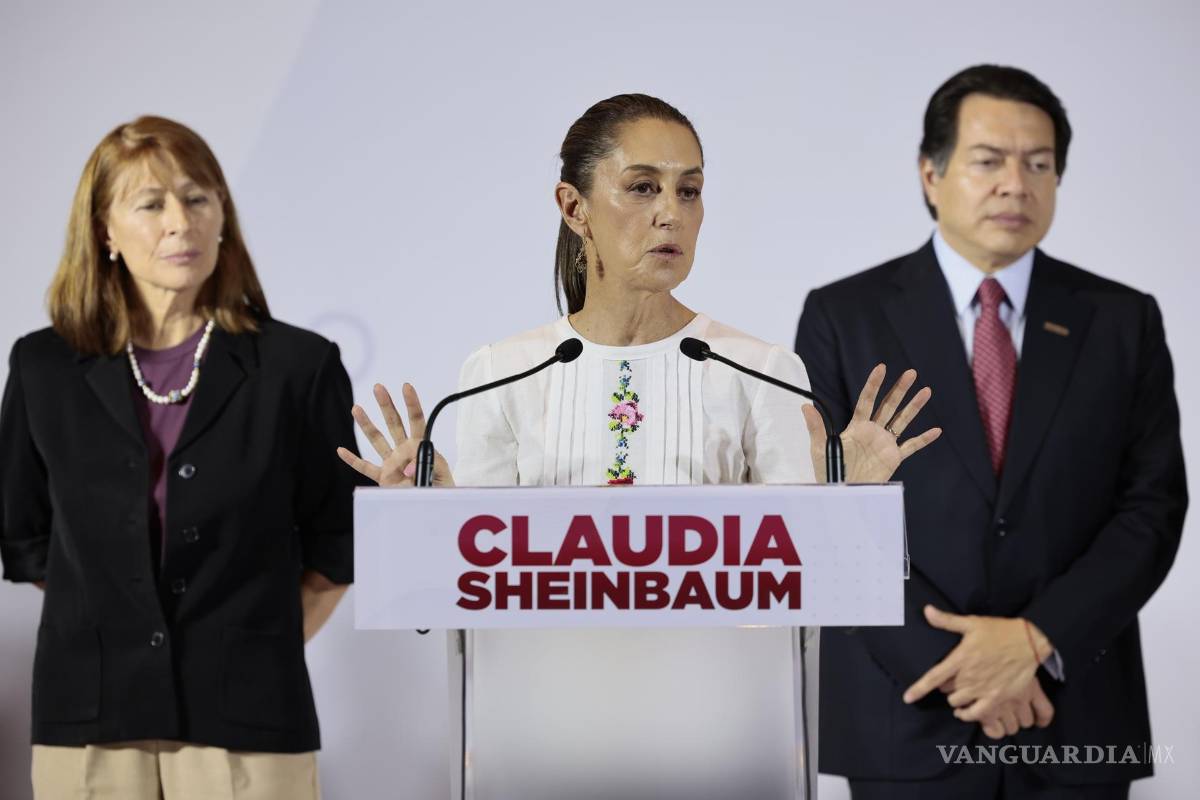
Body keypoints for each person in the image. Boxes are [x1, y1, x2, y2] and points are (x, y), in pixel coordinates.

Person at [796, 65, 1187, 799]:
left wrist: (1037, 641)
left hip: (1074, 711)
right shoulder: (843, 315)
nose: (1016, 183)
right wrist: (960, 669)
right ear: (931, 173)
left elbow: (1153, 507)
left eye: (1039, 164)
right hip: (906, 712)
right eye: (988, 160)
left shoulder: (1122, 320)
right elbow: (825, 511)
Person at [0, 116, 361, 800]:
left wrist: (260, 648)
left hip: (249, 718)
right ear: (105, 230)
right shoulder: (43, 366)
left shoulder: (299, 366)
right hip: (90, 719)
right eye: (151, 203)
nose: (180, 222)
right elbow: (27, 538)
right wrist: (127, 635)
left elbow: (337, 542)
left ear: (223, 214)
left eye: (198, 198)